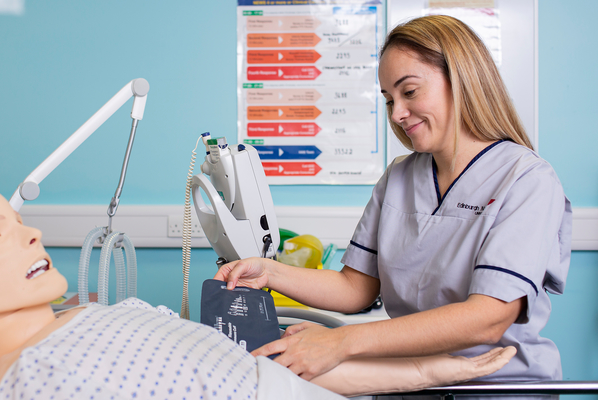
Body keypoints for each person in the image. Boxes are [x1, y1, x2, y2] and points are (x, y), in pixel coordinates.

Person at [0, 183, 515, 400]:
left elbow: (260, 374)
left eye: (18, 220)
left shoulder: (106, 316)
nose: (32, 234)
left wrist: (431, 370)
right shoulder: (35, 373)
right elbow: (352, 295)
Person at [215, 14, 572, 390]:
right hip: (404, 380)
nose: (398, 114)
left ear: (462, 80)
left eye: (410, 92)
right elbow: (356, 288)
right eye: (388, 100)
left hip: (496, 387)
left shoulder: (526, 179)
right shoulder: (400, 177)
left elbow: (489, 317)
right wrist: (269, 272)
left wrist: (341, 343)